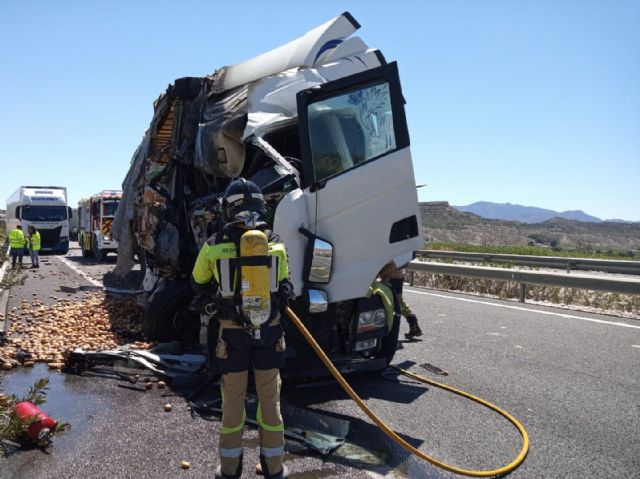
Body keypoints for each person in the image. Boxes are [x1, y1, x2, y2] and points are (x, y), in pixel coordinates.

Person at [192, 178, 293, 479]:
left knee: (232, 402)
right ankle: (274, 468)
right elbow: (286, 285)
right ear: (261, 207)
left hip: (232, 336)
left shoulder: (213, 245)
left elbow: (197, 283)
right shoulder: (275, 243)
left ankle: (229, 469)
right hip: (270, 334)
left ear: (228, 208)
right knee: (269, 400)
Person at [379, 262, 422, 339]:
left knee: (386, 301)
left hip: (390, 276)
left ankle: (385, 330)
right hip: (399, 274)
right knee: (399, 301)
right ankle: (414, 324)